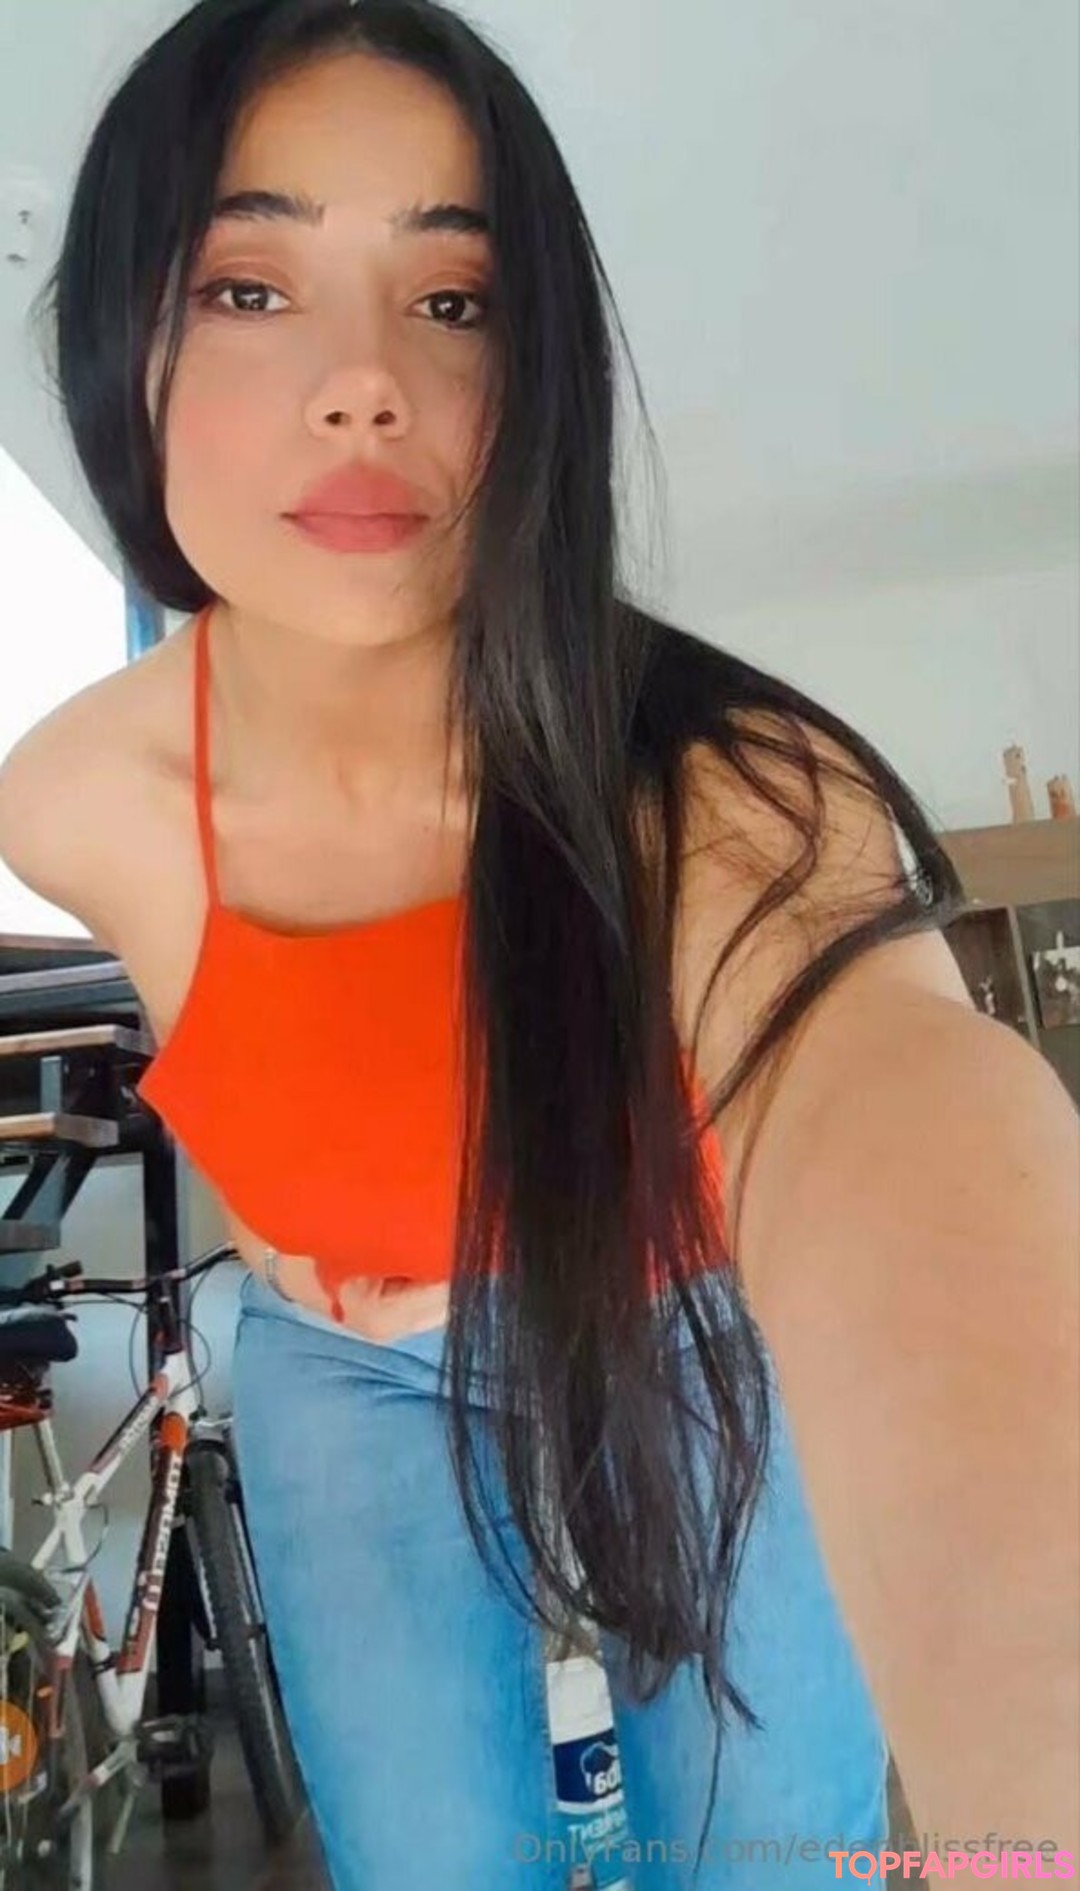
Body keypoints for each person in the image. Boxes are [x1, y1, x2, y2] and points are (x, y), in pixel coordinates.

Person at [0, 1, 1076, 1884]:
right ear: (122, 339)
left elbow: (904, 1124)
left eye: (453, 299)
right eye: (249, 287)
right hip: (349, 1380)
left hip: (685, 1325)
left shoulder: (734, 785)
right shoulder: (78, 803)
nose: (363, 384)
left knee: (775, 1854)